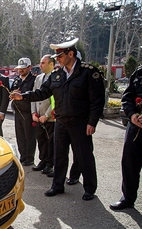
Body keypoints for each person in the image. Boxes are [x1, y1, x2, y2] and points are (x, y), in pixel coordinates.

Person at [10, 38, 105, 201]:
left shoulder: (88, 72)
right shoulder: (57, 75)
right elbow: (42, 93)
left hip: (80, 122)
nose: (57, 60)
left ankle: (89, 188)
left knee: (84, 156)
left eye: (60, 56)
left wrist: (92, 122)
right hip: (61, 121)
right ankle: (57, 185)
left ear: (71, 54)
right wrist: (22, 96)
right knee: (59, 155)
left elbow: (97, 100)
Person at [110, 65, 142, 210]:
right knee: (129, 163)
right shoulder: (139, 72)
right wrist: (132, 114)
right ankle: (128, 198)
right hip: (135, 127)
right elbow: (128, 96)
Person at [31, 55, 55, 175]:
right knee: (41, 140)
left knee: (50, 141)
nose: (40, 65)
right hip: (38, 116)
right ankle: (43, 160)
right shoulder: (39, 78)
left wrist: (47, 115)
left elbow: (55, 100)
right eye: (40, 63)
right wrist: (33, 112)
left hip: (49, 118)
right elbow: (35, 95)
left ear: (51, 64)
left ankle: (50, 163)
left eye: (43, 63)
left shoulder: (55, 78)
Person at [10, 57, 36, 166]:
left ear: (29, 68)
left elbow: (34, 95)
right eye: (19, 69)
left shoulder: (33, 80)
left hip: (28, 112)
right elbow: (10, 93)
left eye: (23, 68)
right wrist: (12, 93)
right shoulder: (17, 80)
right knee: (20, 136)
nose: (20, 71)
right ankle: (23, 156)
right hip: (17, 111)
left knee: (29, 136)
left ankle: (29, 157)